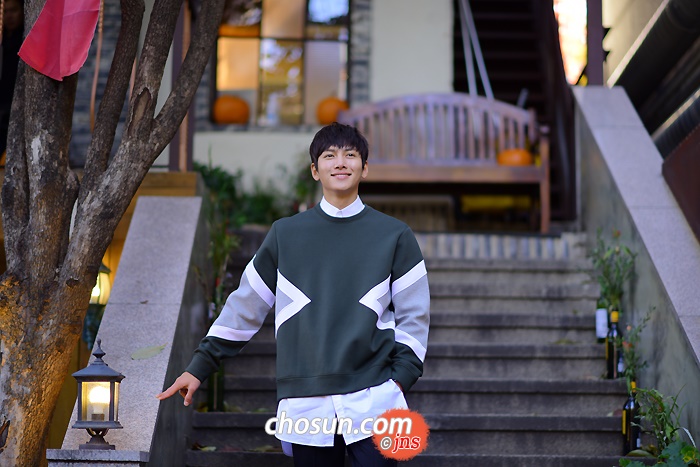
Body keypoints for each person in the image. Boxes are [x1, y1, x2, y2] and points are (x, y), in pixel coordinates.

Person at [157, 122, 430, 466]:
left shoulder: (395, 235)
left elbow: (414, 315)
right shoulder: (285, 235)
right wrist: (199, 367)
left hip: (375, 396)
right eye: (329, 156)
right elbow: (245, 306)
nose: (340, 162)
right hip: (305, 400)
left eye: (350, 155)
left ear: (364, 168)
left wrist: (401, 378)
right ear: (315, 171)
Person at [0, 0, 24, 157]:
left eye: (13, 10)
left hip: (18, 99)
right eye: (5, 12)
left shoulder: (25, 39)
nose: (9, 16)